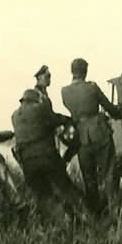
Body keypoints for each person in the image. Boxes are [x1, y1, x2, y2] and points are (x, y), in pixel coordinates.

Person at [12, 89, 86, 223]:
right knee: (66, 188)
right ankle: (89, 215)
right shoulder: (38, 110)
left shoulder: (15, 116)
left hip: (28, 163)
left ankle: (63, 221)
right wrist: (70, 120)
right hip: (46, 157)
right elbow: (56, 119)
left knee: (42, 194)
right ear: (35, 101)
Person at [60, 58, 122, 214]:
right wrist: (118, 113)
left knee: (89, 177)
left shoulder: (64, 91)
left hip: (81, 138)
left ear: (72, 71)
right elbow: (108, 107)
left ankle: (94, 212)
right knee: (109, 171)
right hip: (99, 133)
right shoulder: (92, 87)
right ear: (85, 71)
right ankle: (115, 209)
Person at [33, 65, 79, 163]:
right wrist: (65, 119)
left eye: (50, 76)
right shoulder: (37, 95)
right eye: (47, 76)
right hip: (43, 137)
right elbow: (47, 116)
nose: (49, 79)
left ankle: (64, 162)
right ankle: (64, 162)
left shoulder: (42, 94)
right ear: (39, 77)